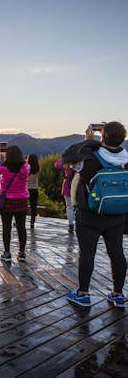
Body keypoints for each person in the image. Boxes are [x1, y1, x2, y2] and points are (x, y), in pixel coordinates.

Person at [64, 122, 128, 308]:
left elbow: (67, 158)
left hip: (90, 215)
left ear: (103, 136)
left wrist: (88, 142)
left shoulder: (90, 157)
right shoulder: (126, 159)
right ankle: (118, 294)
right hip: (117, 216)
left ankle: (83, 294)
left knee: (87, 254)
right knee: (117, 254)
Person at [0, 145, 30, 262]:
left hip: (7, 202)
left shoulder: (3, 168)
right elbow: (27, 164)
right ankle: (22, 253)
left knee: (6, 227)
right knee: (21, 227)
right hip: (21, 202)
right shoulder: (26, 167)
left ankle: (7, 253)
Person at [55, 158, 75, 233]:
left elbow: (57, 164)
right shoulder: (79, 162)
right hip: (78, 186)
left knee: (69, 207)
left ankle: (71, 225)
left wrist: (64, 159)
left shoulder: (66, 163)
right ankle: (79, 224)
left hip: (68, 186)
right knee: (78, 207)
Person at [27, 154, 40, 229]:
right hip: (34, 189)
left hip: (26, 189)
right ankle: (32, 221)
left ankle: (20, 219)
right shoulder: (37, 168)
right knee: (33, 206)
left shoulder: (26, 168)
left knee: (23, 206)